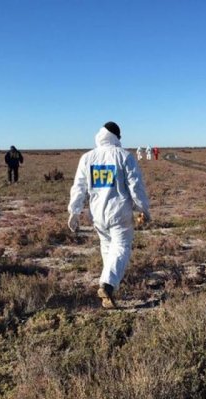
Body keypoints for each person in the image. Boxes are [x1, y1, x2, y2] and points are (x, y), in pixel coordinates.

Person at [67, 121, 151, 309]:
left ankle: (108, 290)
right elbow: (135, 186)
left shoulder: (87, 158)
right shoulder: (124, 156)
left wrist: (74, 211)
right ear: (117, 137)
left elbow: (78, 187)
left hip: (98, 214)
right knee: (121, 247)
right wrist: (143, 209)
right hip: (120, 212)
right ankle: (108, 284)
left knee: (107, 248)